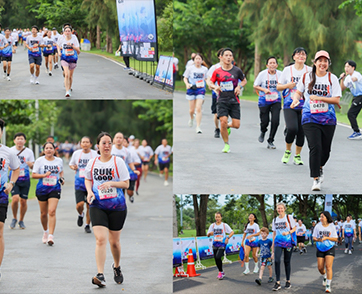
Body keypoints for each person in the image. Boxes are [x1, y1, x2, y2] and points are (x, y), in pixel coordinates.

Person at [291, 50, 341, 191]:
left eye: (325, 61)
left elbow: (336, 99)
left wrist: (320, 98)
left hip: (328, 119)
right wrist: (295, 99)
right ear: (315, 62)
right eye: (320, 60)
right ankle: (315, 179)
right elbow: (298, 92)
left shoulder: (332, 78)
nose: (322, 63)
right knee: (315, 147)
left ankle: (319, 167)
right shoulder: (307, 76)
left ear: (328, 63)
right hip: (309, 117)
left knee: (326, 151)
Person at [85, 132, 130, 287]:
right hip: (98, 205)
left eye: (109, 143)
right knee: (100, 239)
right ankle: (100, 275)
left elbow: (126, 184)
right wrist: (90, 192)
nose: (107, 146)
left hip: (117, 206)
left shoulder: (118, 162)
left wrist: (111, 183)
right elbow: (88, 179)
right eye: (103, 143)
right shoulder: (92, 163)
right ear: (98, 145)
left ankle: (116, 267)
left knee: (115, 242)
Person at [277, 47, 312, 165]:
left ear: (306, 57)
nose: (301, 56)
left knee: (302, 131)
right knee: (292, 128)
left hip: (305, 105)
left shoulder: (310, 70)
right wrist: (288, 85)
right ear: (294, 57)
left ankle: (297, 155)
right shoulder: (287, 70)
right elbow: (278, 87)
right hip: (289, 104)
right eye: (298, 54)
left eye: (303, 54)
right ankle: (287, 151)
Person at [209, 48, 247, 153]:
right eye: (226, 55)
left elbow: (244, 80)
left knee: (236, 125)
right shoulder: (217, 72)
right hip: (222, 100)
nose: (228, 57)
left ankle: (227, 127)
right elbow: (210, 83)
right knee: (223, 122)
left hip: (234, 100)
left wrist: (239, 87)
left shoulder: (237, 70)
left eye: (230, 55)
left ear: (232, 57)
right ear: (222, 57)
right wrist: (214, 87)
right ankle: (226, 144)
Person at [32, 142, 64, 245]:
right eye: (47, 148)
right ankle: (45, 231)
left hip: (54, 188)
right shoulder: (39, 161)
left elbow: (61, 172)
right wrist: (44, 175)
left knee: (52, 211)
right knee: (43, 213)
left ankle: (51, 236)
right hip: (42, 189)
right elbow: (34, 175)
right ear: (44, 150)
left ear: (54, 150)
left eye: (51, 148)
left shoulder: (59, 161)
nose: (49, 150)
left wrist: (62, 178)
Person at [0, 119, 20, 281]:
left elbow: (16, 168)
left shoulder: (8, 152)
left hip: (1, 194)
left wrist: (11, 183)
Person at [69, 136, 97, 233]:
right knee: (79, 204)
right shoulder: (76, 154)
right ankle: (81, 214)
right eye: (83, 142)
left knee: (90, 205)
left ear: (90, 144)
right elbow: (71, 164)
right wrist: (73, 167)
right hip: (79, 183)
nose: (85, 144)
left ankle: (87, 224)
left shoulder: (95, 154)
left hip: (91, 184)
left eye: (87, 142)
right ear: (80, 144)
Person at [254, 57, 282, 149]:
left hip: (276, 100)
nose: (272, 65)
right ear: (267, 65)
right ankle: (263, 131)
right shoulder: (262, 74)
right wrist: (264, 89)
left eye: (274, 63)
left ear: (277, 65)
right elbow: (256, 85)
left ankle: (271, 140)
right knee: (264, 121)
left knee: (275, 121)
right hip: (264, 100)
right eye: (270, 63)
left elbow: (285, 85)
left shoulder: (280, 74)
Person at [9, 133, 35, 229]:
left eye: (22, 139)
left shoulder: (29, 152)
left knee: (23, 201)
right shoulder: (10, 151)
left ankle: (21, 220)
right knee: (15, 199)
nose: (20, 140)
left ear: (25, 141)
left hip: (25, 179)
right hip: (13, 179)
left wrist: (30, 164)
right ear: (14, 140)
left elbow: (33, 165)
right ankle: (14, 218)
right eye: (18, 139)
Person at [272, 202, 296, 291]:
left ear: (284, 209)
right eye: (278, 208)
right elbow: (274, 233)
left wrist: (287, 232)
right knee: (277, 261)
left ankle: (288, 281)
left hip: (288, 242)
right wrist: (272, 244)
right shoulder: (275, 220)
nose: (280, 210)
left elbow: (294, 228)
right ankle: (277, 282)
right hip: (278, 242)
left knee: (287, 261)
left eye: (281, 208)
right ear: (276, 209)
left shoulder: (289, 218)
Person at [313, 211, 338, 293]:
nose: (321, 218)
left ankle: (328, 285)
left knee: (328, 267)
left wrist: (327, 238)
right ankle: (324, 276)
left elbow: (335, 239)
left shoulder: (332, 226)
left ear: (327, 217)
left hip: (329, 248)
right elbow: (314, 237)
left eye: (322, 216)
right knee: (320, 268)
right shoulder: (318, 226)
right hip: (320, 248)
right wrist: (317, 239)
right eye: (320, 216)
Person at [183, 53, 208, 134]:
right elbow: (185, 78)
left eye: (199, 59)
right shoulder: (190, 68)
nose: (198, 60)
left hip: (200, 89)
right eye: (196, 59)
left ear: (202, 60)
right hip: (191, 89)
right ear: (194, 60)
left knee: (198, 108)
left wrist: (210, 85)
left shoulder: (204, 69)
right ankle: (191, 118)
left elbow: (207, 79)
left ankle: (198, 127)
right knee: (191, 110)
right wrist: (187, 84)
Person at [111, 132, 139, 203]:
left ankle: (127, 199)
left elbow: (130, 162)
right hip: (112, 174)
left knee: (127, 192)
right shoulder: (110, 149)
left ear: (123, 140)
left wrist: (134, 170)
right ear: (114, 139)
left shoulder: (127, 151)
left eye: (120, 138)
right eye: (117, 137)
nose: (118, 139)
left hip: (123, 175)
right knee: (116, 193)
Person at [207, 212, 234, 280]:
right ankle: (221, 271)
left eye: (218, 217)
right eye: (216, 217)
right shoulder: (212, 225)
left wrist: (227, 237)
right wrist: (209, 234)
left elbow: (232, 232)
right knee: (216, 259)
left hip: (222, 243)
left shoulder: (224, 225)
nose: (217, 218)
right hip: (215, 243)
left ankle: (220, 272)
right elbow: (208, 234)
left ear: (221, 217)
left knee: (218, 256)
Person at [339, 60, 362, 139]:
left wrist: (353, 79)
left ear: (353, 68)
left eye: (348, 67)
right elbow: (342, 88)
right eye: (345, 66)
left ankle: (357, 132)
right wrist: (342, 79)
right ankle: (356, 131)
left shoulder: (357, 74)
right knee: (352, 115)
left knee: (350, 113)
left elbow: (356, 78)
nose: (346, 68)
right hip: (356, 97)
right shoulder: (347, 78)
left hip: (360, 96)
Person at [57, 25, 80, 97]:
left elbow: (78, 51)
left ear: (71, 32)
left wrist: (72, 46)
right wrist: (59, 52)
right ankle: (67, 91)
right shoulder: (61, 38)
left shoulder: (74, 38)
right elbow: (57, 45)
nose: (67, 32)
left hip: (73, 59)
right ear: (64, 32)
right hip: (64, 58)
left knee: (70, 76)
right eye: (66, 31)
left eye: (69, 31)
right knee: (66, 74)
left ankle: (69, 88)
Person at [206, 48, 224, 138]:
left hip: (227, 94)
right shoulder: (214, 68)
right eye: (223, 55)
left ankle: (224, 127)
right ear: (219, 57)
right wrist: (212, 87)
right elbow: (208, 80)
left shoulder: (231, 68)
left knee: (225, 113)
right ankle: (217, 128)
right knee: (216, 114)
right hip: (216, 94)